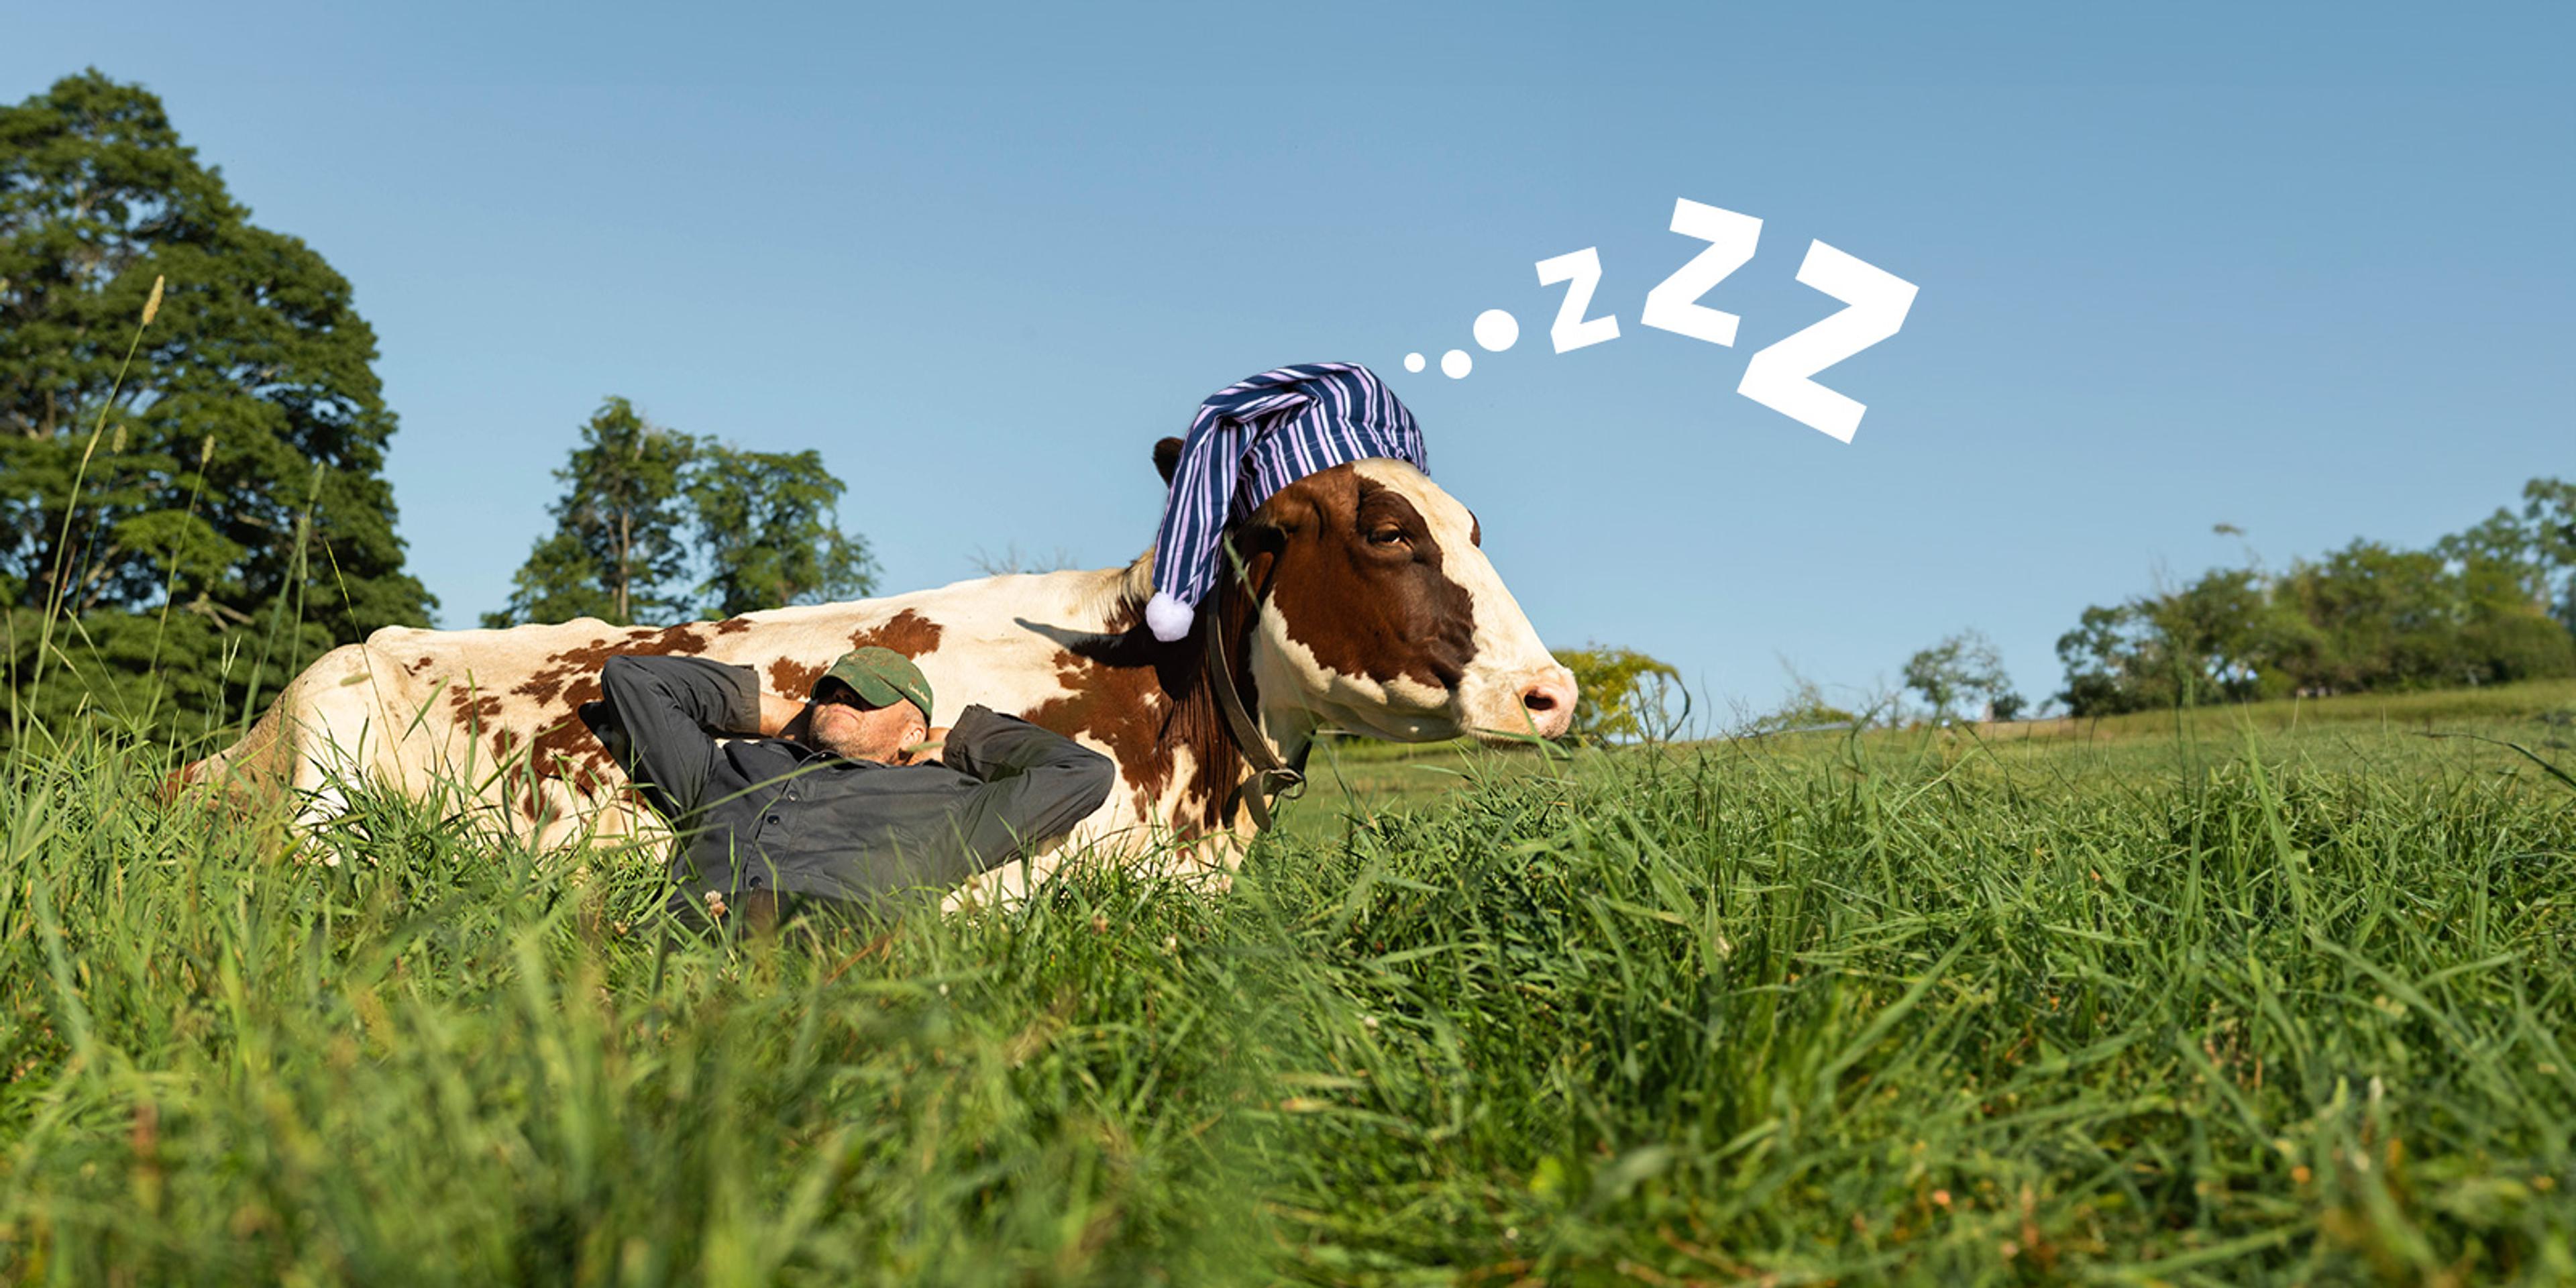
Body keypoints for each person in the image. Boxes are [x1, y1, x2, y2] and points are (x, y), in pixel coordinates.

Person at [579, 645, 1115, 930]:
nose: (840, 699)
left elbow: (1083, 773)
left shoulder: (950, 806)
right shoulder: (727, 771)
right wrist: (770, 715)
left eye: (864, 698)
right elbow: (631, 679)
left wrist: (954, 743)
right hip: (690, 943)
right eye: (831, 692)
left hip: (833, 961)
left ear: (912, 730)